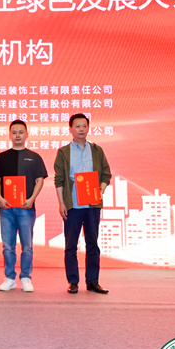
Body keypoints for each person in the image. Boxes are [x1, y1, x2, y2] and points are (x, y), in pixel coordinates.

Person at [54, 113, 112, 295]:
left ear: (88, 128)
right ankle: (73, 281)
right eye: (77, 126)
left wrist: (100, 190)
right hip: (73, 205)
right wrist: (61, 203)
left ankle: (93, 281)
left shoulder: (97, 150)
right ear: (70, 129)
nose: (81, 129)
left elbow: (106, 174)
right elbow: (59, 180)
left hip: (92, 205)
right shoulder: (63, 152)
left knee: (93, 243)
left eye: (84, 126)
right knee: (71, 245)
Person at [0, 120, 47, 292]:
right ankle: (9, 278)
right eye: (14, 132)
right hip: (6, 209)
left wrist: (31, 199)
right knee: (8, 246)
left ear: (27, 134)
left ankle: (25, 277)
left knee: (27, 246)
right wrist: (0, 198)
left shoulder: (35, 157)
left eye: (21, 132)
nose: (17, 135)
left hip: (26, 208)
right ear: (9, 135)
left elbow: (40, 180)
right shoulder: (1, 157)